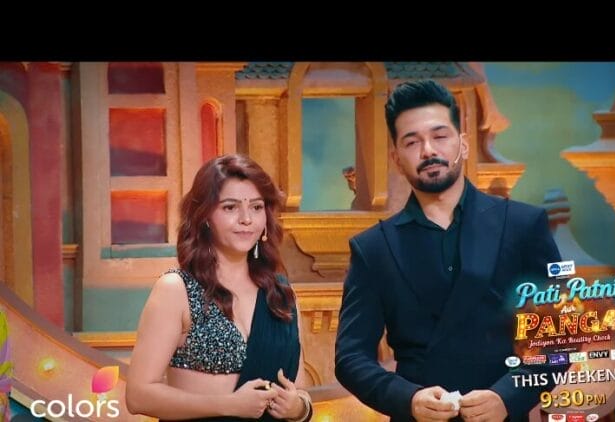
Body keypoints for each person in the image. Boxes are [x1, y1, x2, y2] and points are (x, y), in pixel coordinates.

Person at [335, 80, 561, 422]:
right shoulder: (374, 248)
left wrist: (507, 397)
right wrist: (408, 399)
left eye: (440, 136)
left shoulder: (523, 226)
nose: (428, 150)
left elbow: (561, 336)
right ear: (397, 159)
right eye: (412, 142)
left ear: (463, 144)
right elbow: (351, 358)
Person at [126, 154, 313, 422]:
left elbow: (300, 388)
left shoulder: (281, 294)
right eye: (230, 207)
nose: (246, 219)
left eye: (257, 207)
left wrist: (298, 409)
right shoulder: (176, 290)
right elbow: (138, 395)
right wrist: (229, 405)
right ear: (205, 216)